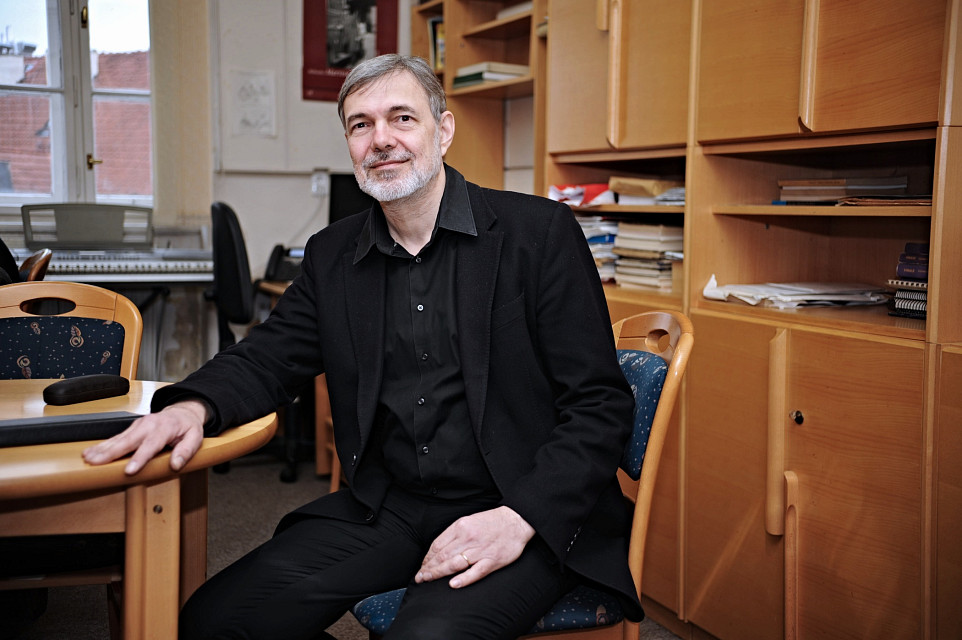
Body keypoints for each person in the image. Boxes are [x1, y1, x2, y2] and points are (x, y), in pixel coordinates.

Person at [82, 53, 641, 639]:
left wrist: (521, 516)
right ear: (349, 145)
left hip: (519, 503)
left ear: (443, 130)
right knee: (215, 621)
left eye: (402, 118)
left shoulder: (539, 233)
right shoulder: (333, 255)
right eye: (360, 124)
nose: (381, 139)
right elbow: (269, 355)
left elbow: (600, 405)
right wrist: (193, 406)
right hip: (390, 506)